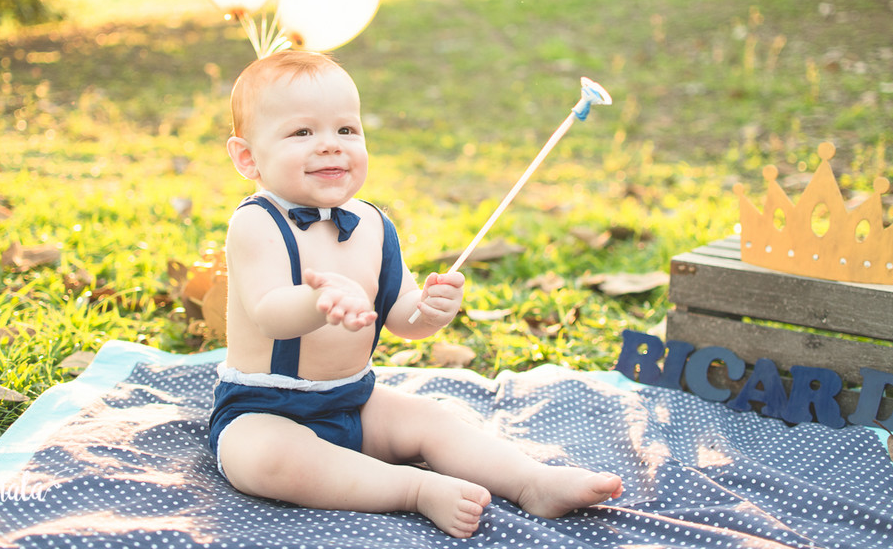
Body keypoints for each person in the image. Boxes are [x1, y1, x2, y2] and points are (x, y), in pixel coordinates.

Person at [209, 50, 624, 538]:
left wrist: (430, 311)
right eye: (303, 133)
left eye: (346, 130)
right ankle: (411, 489)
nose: (330, 146)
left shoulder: (371, 224)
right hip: (265, 407)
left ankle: (533, 481)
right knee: (265, 461)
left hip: (353, 402)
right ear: (247, 157)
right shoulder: (257, 223)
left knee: (432, 419)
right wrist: (316, 302)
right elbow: (269, 314)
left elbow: (402, 317)